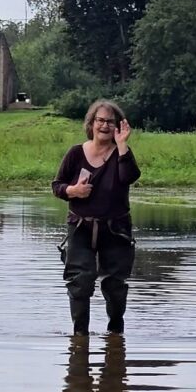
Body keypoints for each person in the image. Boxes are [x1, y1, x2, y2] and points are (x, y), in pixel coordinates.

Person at [52, 100, 141, 335]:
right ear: (91, 124)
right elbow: (57, 185)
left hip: (116, 229)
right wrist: (73, 191)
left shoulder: (123, 154)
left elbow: (129, 177)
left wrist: (122, 146)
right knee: (80, 281)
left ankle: (115, 332)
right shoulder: (75, 153)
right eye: (99, 120)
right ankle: (80, 336)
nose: (104, 125)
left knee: (114, 285)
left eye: (109, 121)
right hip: (81, 228)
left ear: (118, 126)